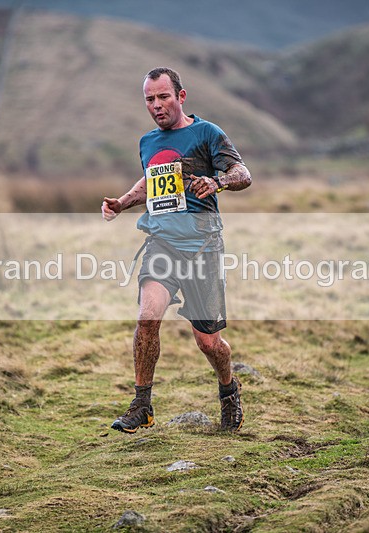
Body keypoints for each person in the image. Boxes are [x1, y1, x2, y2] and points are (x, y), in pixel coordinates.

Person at [101, 67, 252, 433]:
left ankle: (228, 390)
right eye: (149, 99)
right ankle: (142, 405)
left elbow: (243, 174)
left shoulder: (207, 133)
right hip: (162, 243)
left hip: (203, 247)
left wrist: (217, 182)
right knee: (147, 317)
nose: (156, 105)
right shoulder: (147, 141)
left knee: (208, 342)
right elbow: (151, 179)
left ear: (181, 97)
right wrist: (123, 202)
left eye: (163, 97)